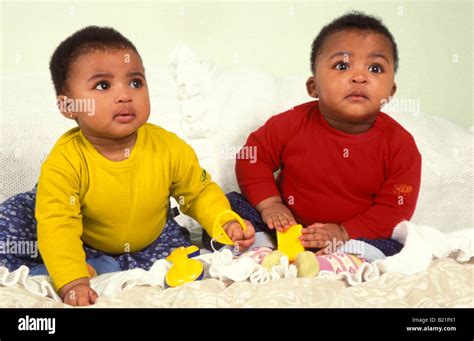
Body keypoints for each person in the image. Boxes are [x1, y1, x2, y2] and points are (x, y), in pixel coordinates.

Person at [0, 26, 255, 306]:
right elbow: (58, 225)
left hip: (151, 238)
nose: (124, 95)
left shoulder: (168, 147)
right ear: (68, 105)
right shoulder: (65, 162)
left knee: (187, 265)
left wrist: (224, 220)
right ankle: (77, 265)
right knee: (17, 228)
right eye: (103, 86)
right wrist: (72, 281)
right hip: (80, 237)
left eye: (135, 82)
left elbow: (198, 192)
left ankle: (105, 264)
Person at [233, 11, 421, 260]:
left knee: (395, 244)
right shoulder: (291, 124)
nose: (359, 77)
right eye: (342, 65)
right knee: (232, 206)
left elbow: (393, 208)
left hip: (352, 238)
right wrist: (271, 206)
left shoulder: (400, 145)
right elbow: (252, 158)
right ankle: (262, 248)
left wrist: (343, 232)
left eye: (375, 68)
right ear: (313, 87)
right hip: (286, 229)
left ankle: (338, 263)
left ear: (391, 90)